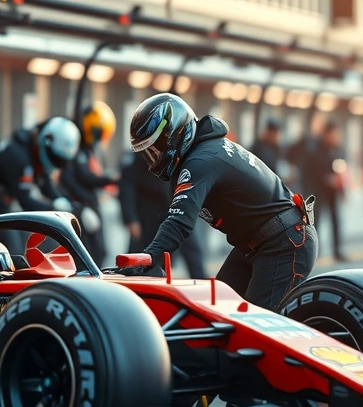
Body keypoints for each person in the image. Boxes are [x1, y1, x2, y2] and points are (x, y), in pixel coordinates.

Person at [118, 93, 317, 309]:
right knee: (215, 310)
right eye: (147, 154)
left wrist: (148, 257)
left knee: (254, 325)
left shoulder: (201, 161)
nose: (152, 161)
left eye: (155, 150)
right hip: (259, 243)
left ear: (174, 134)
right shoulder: (205, 151)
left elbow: (179, 222)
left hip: (285, 242)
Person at [118, 149, 206, 278]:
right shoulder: (141, 155)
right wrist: (131, 218)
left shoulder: (175, 150)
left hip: (176, 209)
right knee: (143, 258)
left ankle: (202, 286)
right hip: (149, 216)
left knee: (192, 252)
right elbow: (127, 188)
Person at [0, 117, 80, 215]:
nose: (56, 163)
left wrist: (63, 201)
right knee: (12, 234)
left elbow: (45, 182)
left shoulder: (33, 150)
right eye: (55, 158)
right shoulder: (19, 156)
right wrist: (53, 207)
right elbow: (25, 201)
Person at [61, 102, 119, 264]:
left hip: (89, 203)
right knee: (89, 253)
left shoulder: (87, 149)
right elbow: (81, 177)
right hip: (80, 206)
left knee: (100, 252)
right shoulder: (76, 149)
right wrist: (109, 179)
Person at [296, 121, 347, 261]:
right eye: (332, 134)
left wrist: (342, 188)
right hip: (318, 191)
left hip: (333, 191)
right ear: (326, 134)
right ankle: (315, 251)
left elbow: (342, 168)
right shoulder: (315, 149)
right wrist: (325, 178)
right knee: (316, 221)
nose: (335, 137)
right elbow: (311, 171)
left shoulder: (338, 149)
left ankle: (337, 250)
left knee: (336, 220)